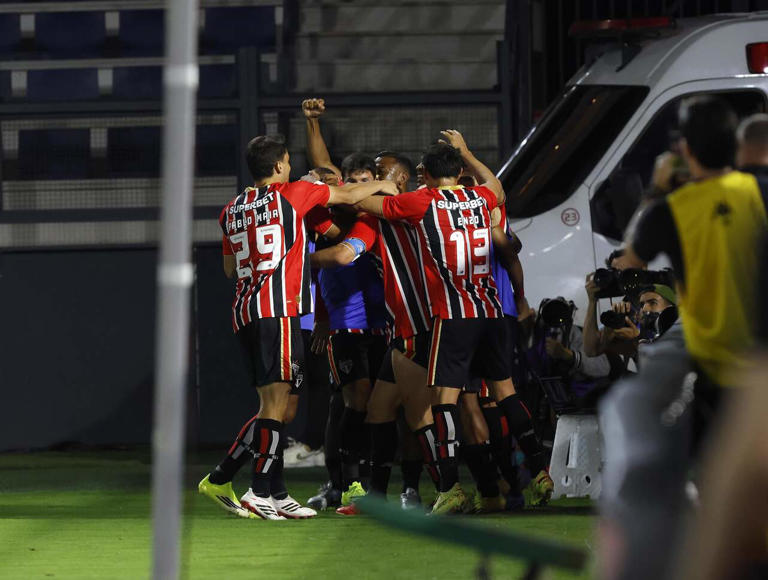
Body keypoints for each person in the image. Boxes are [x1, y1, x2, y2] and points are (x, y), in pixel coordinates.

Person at [598, 95, 768, 579]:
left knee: (646, 438)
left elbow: (627, 261)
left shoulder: (669, 209)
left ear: (686, 149)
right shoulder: (758, 190)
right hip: (760, 367)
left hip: (713, 371)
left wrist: (656, 188)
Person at [198, 135, 397, 520]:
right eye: (287, 162)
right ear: (277, 167)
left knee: (278, 406)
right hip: (280, 309)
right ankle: (257, 491)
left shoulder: (231, 209)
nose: (290, 167)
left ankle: (274, 491)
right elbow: (342, 196)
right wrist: (382, 184)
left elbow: (228, 269)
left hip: (246, 311)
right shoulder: (295, 193)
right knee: (274, 406)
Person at [355, 132, 553, 514]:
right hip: (493, 310)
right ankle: (539, 472)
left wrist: (377, 184)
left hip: (454, 313)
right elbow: (497, 187)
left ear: (425, 174)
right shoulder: (479, 197)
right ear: (460, 171)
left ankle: (450, 487)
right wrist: (468, 151)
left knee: (443, 401)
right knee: (506, 393)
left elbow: (370, 205)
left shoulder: (422, 201)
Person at [310, 151, 440, 514]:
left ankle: (443, 487)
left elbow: (343, 254)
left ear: (397, 181)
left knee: (422, 416)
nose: (367, 183)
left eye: (378, 175)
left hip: (420, 324)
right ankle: (376, 497)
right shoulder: (380, 215)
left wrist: (293, 259)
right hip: (398, 326)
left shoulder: (402, 210)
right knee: (378, 410)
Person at [301, 98, 388, 509]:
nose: (353, 186)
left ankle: (371, 483)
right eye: (349, 180)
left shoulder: (372, 218)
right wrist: (314, 124)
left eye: (363, 179)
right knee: (348, 402)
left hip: (382, 324)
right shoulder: (323, 217)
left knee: (375, 404)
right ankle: (344, 483)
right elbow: (324, 170)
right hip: (344, 324)